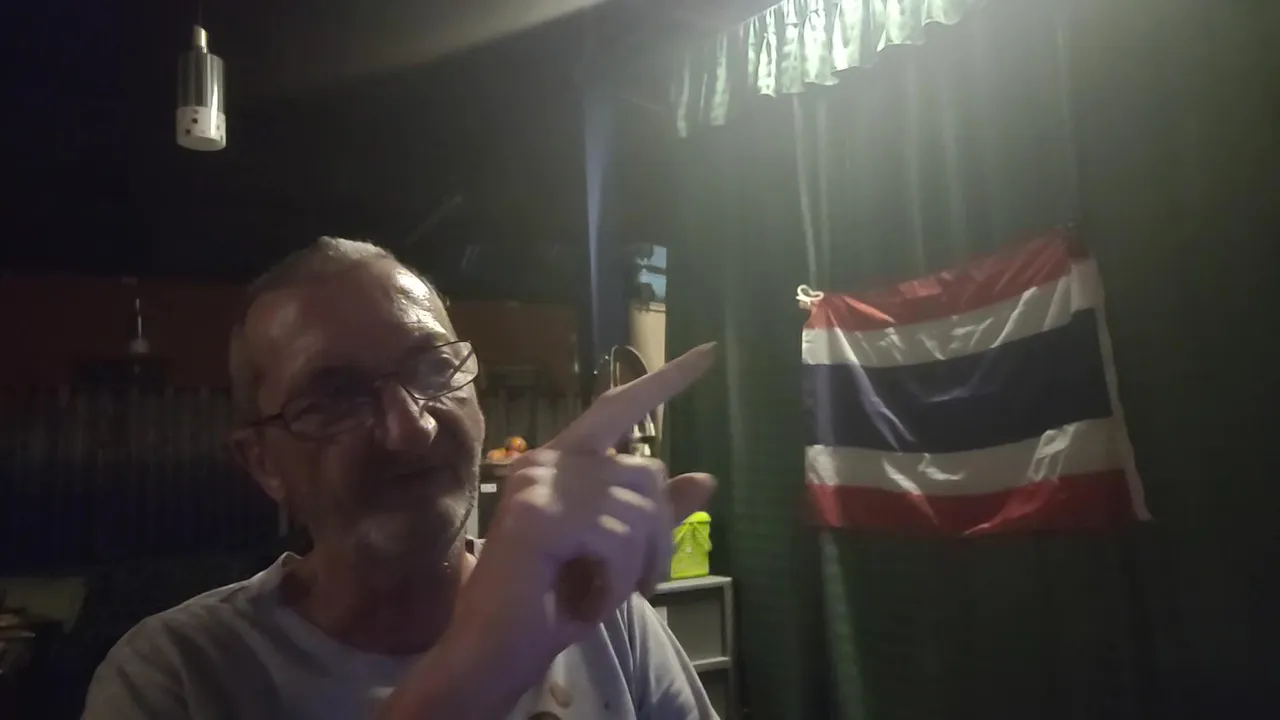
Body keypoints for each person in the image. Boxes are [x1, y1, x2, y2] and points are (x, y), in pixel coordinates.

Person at [81, 237, 719, 719]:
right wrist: (482, 664)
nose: (410, 428)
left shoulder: (605, 618)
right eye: (335, 396)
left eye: (433, 368)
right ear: (264, 462)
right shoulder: (176, 676)